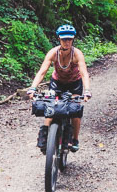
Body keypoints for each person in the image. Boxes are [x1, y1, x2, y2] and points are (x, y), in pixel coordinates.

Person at [29, 24, 93, 153]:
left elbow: (84, 73)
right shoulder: (53, 53)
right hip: (57, 82)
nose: (67, 42)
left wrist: (87, 90)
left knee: (75, 110)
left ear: (73, 39)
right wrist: (33, 88)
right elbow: (42, 71)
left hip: (74, 83)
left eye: (69, 39)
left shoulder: (77, 54)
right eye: (64, 39)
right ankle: (44, 136)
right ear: (59, 39)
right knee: (51, 107)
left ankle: (75, 139)